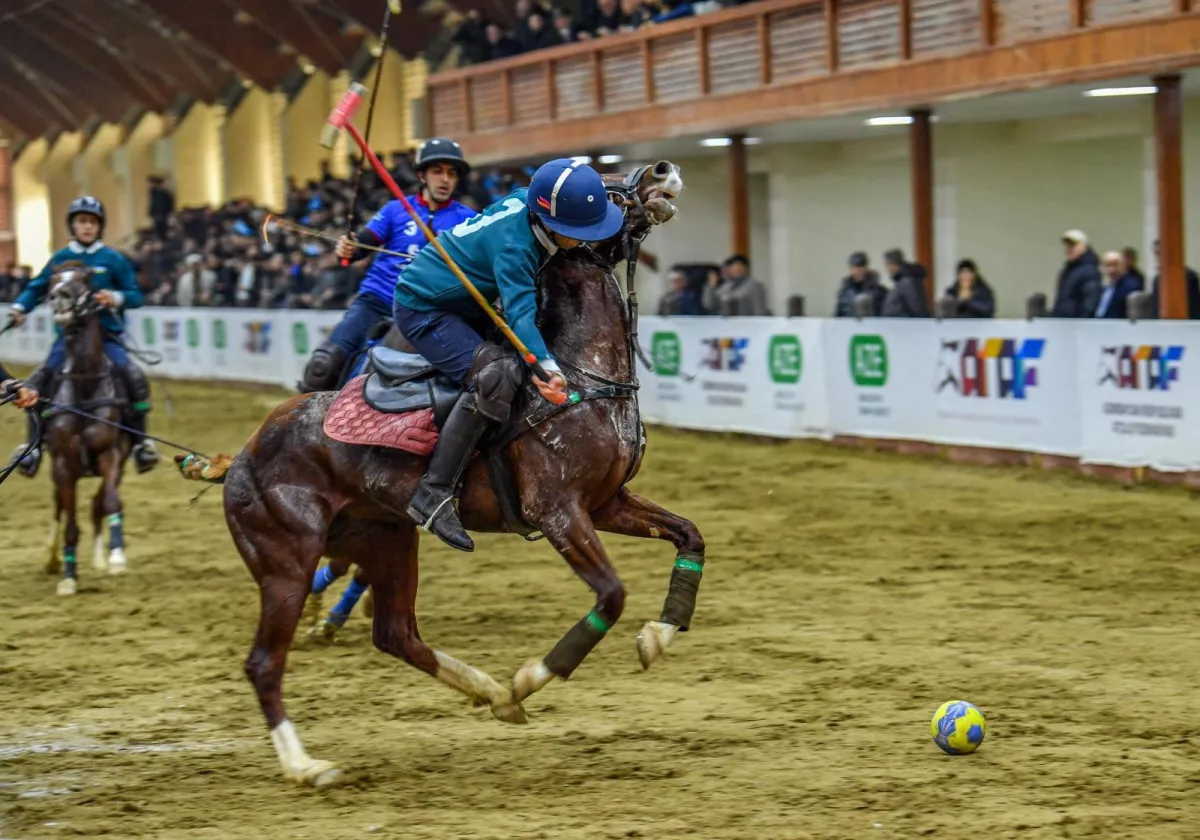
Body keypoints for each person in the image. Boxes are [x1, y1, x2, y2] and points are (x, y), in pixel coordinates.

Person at [394, 157, 624, 551]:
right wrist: (545, 365)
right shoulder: (515, 248)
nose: (585, 239)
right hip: (425, 309)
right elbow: (520, 314)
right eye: (579, 232)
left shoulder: (530, 201)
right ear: (550, 224)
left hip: (469, 301)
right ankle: (433, 493)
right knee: (496, 373)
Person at [299, 138, 478, 392]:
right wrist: (347, 249)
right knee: (323, 364)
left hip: (427, 312)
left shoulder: (468, 220)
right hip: (378, 300)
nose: (445, 179)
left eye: (451, 173)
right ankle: (304, 412)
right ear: (422, 175)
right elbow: (360, 246)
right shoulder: (396, 210)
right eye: (437, 171)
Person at [6, 197, 158, 478]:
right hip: (67, 339)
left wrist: (116, 297)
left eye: (92, 222)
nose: (87, 227)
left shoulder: (113, 259)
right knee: (38, 379)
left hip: (107, 336)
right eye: (82, 221)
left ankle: (140, 443)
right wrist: (19, 309)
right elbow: (36, 288)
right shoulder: (60, 259)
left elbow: (136, 295)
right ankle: (32, 447)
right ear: (73, 226)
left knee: (132, 375)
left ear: (99, 227)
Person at [1051, 230, 1101, 318]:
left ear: (1084, 246)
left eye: (1073, 245)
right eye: (1067, 246)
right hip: (1063, 321)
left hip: (1076, 323)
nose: (1069, 249)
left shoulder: (1089, 270)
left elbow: (1090, 303)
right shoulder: (1069, 270)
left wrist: (1082, 323)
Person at [834, 251, 886, 317]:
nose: (858, 272)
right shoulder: (844, 293)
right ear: (851, 269)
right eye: (855, 268)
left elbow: (885, 315)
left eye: (861, 268)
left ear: (866, 268)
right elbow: (838, 316)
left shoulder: (880, 292)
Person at [880, 248, 929, 317]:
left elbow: (917, 308)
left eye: (888, 264)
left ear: (894, 264)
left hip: (904, 322)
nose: (887, 268)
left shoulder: (907, 282)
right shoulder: (901, 282)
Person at [1094, 251, 1143, 319]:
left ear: (1123, 265)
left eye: (1115, 265)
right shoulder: (1102, 286)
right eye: (1107, 265)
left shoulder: (1131, 286)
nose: (1111, 269)